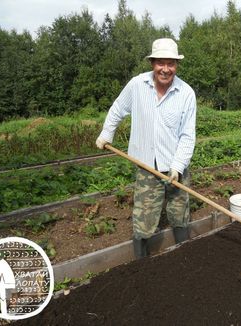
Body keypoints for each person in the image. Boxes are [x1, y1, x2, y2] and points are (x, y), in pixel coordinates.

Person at [96, 38, 197, 259]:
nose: (166, 69)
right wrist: (106, 133)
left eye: (171, 63)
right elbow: (117, 109)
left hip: (175, 167)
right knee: (143, 219)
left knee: (179, 213)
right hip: (146, 166)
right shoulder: (137, 85)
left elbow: (188, 136)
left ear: (176, 65)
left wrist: (177, 167)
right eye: (161, 63)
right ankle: (141, 266)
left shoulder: (186, 93)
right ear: (152, 63)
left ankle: (184, 257)